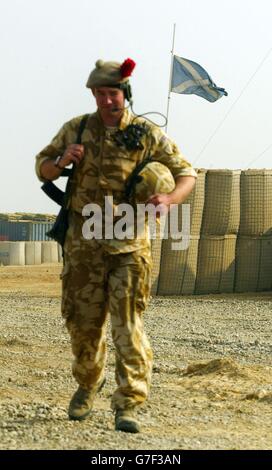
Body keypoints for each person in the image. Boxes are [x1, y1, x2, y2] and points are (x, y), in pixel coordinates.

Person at [35, 58, 197, 433]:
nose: (108, 101)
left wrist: (169, 199)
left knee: (128, 325)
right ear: (94, 94)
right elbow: (42, 168)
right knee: (83, 326)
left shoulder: (146, 133)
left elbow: (186, 173)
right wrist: (60, 161)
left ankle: (129, 403)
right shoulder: (76, 129)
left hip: (129, 246)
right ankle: (89, 383)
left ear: (126, 94)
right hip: (83, 246)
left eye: (114, 94)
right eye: (101, 94)